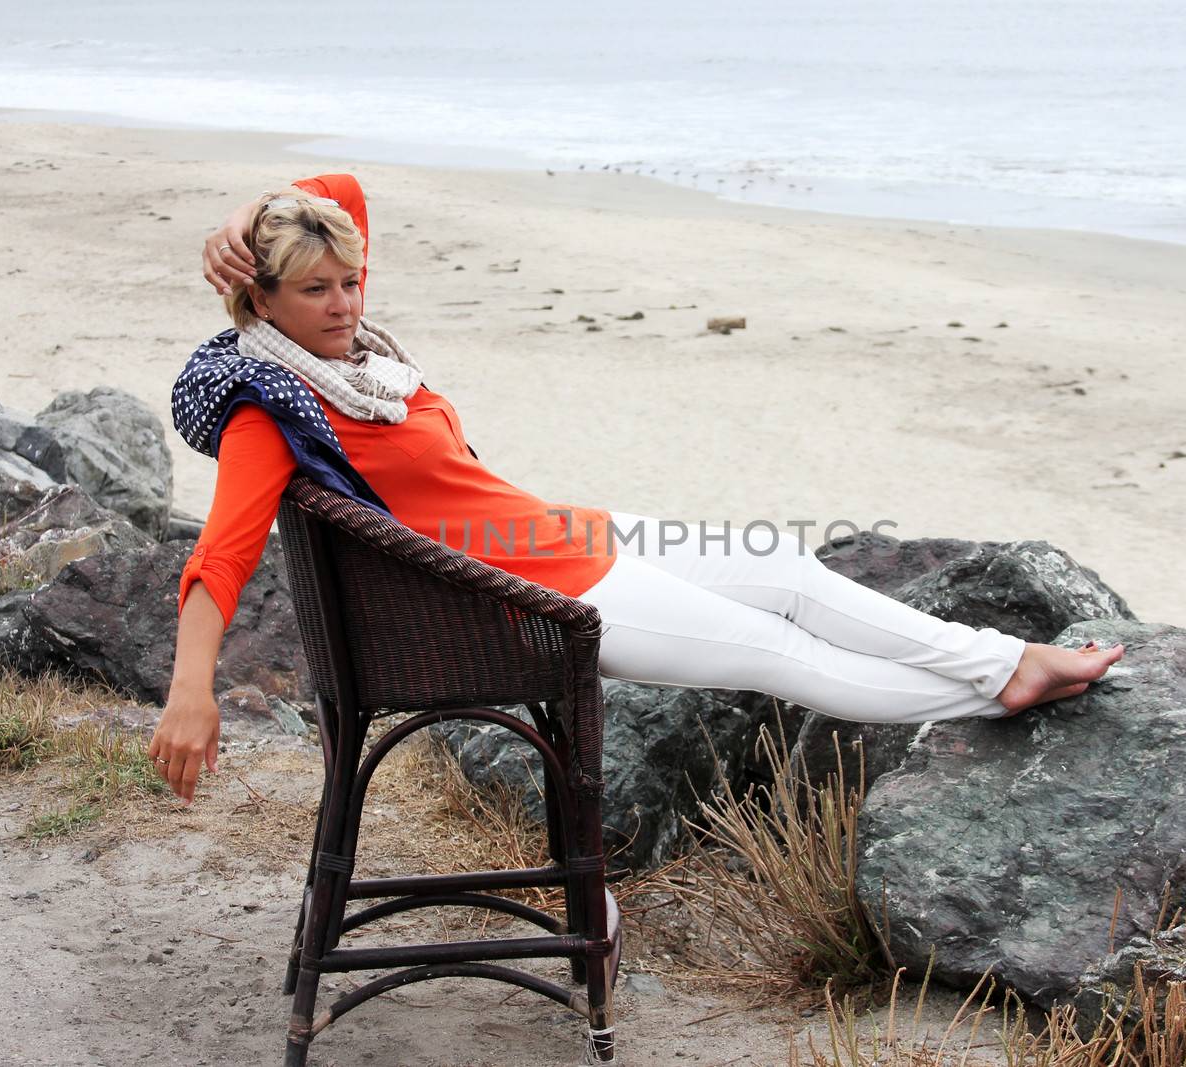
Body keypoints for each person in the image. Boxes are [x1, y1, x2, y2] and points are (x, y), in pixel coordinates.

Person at [148, 174, 1124, 804]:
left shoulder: (355, 359)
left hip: (569, 533)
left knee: (785, 566)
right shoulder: (266, 405)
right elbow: (223, 553)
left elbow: (341, 191)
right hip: (541, 595)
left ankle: (1005, 658)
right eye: (316, 290)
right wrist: (192, 689)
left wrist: (241, 220)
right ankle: (1002, 691)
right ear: (258, 301)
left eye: (349, 284)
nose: (345, 303)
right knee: (776, 651)